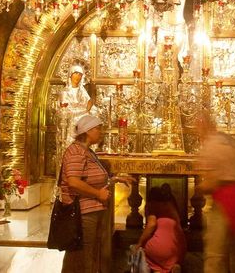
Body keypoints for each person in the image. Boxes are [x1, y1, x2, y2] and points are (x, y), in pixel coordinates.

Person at [59, 115, 130, 273]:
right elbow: (74, 182)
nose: (101, 132)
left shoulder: (87, 151)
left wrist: (114, 179)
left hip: (92, 210)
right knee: (81, 257)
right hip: (82, 213)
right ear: (88, 131)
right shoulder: (76, 152)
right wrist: (98, 194)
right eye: (98, 128)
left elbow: (93, 177)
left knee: (91, 255)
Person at [196, 110, 235, 273]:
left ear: (204, 126)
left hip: (224, 201)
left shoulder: (211, 146)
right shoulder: (233, 142)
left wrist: (200, 188)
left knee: (215, 256)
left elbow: (212, 181)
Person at [136, 186, 186, 273]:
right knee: (165, 256)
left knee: (142, 251)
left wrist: (140, 243)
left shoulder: (152, 205)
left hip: (161, 249)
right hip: (179, 248)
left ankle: (157, 270)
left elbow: (151, 225)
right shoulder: (171, 205)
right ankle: (174, 266)